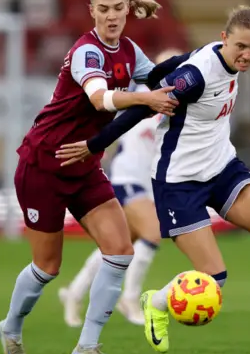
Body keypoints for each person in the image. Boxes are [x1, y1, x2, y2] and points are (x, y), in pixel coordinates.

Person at [56, 6, 250, 354]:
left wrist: (154, 74)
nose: (248, 54)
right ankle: (156, 302)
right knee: (213, 281)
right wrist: (95, 145)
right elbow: (143, 107)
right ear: (224, 40)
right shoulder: (197, 76)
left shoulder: (220, 57)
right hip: (178, 183)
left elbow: (164, 70)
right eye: (241, 47)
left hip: (223, 169)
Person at [0, 0, 178, 354]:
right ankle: (10, 327)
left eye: (118, 8)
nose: (112, 16)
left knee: (120, 250)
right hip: (44, 163)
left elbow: (156, 77)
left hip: (84, 165)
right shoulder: (86, 53)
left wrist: (201, 62)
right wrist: (147, 98)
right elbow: (101, 98)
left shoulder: (130, 51)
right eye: (104, 9)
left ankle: (88, 347)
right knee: (47, 267)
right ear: (92, 12)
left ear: (127, 10)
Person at [58, 48, 184, 328]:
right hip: (127, 177)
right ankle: (129, 298)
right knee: (152, 233)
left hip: (146, 183)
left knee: (117, 246)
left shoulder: (175, 103)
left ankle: (74, 293)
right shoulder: (144, 94)